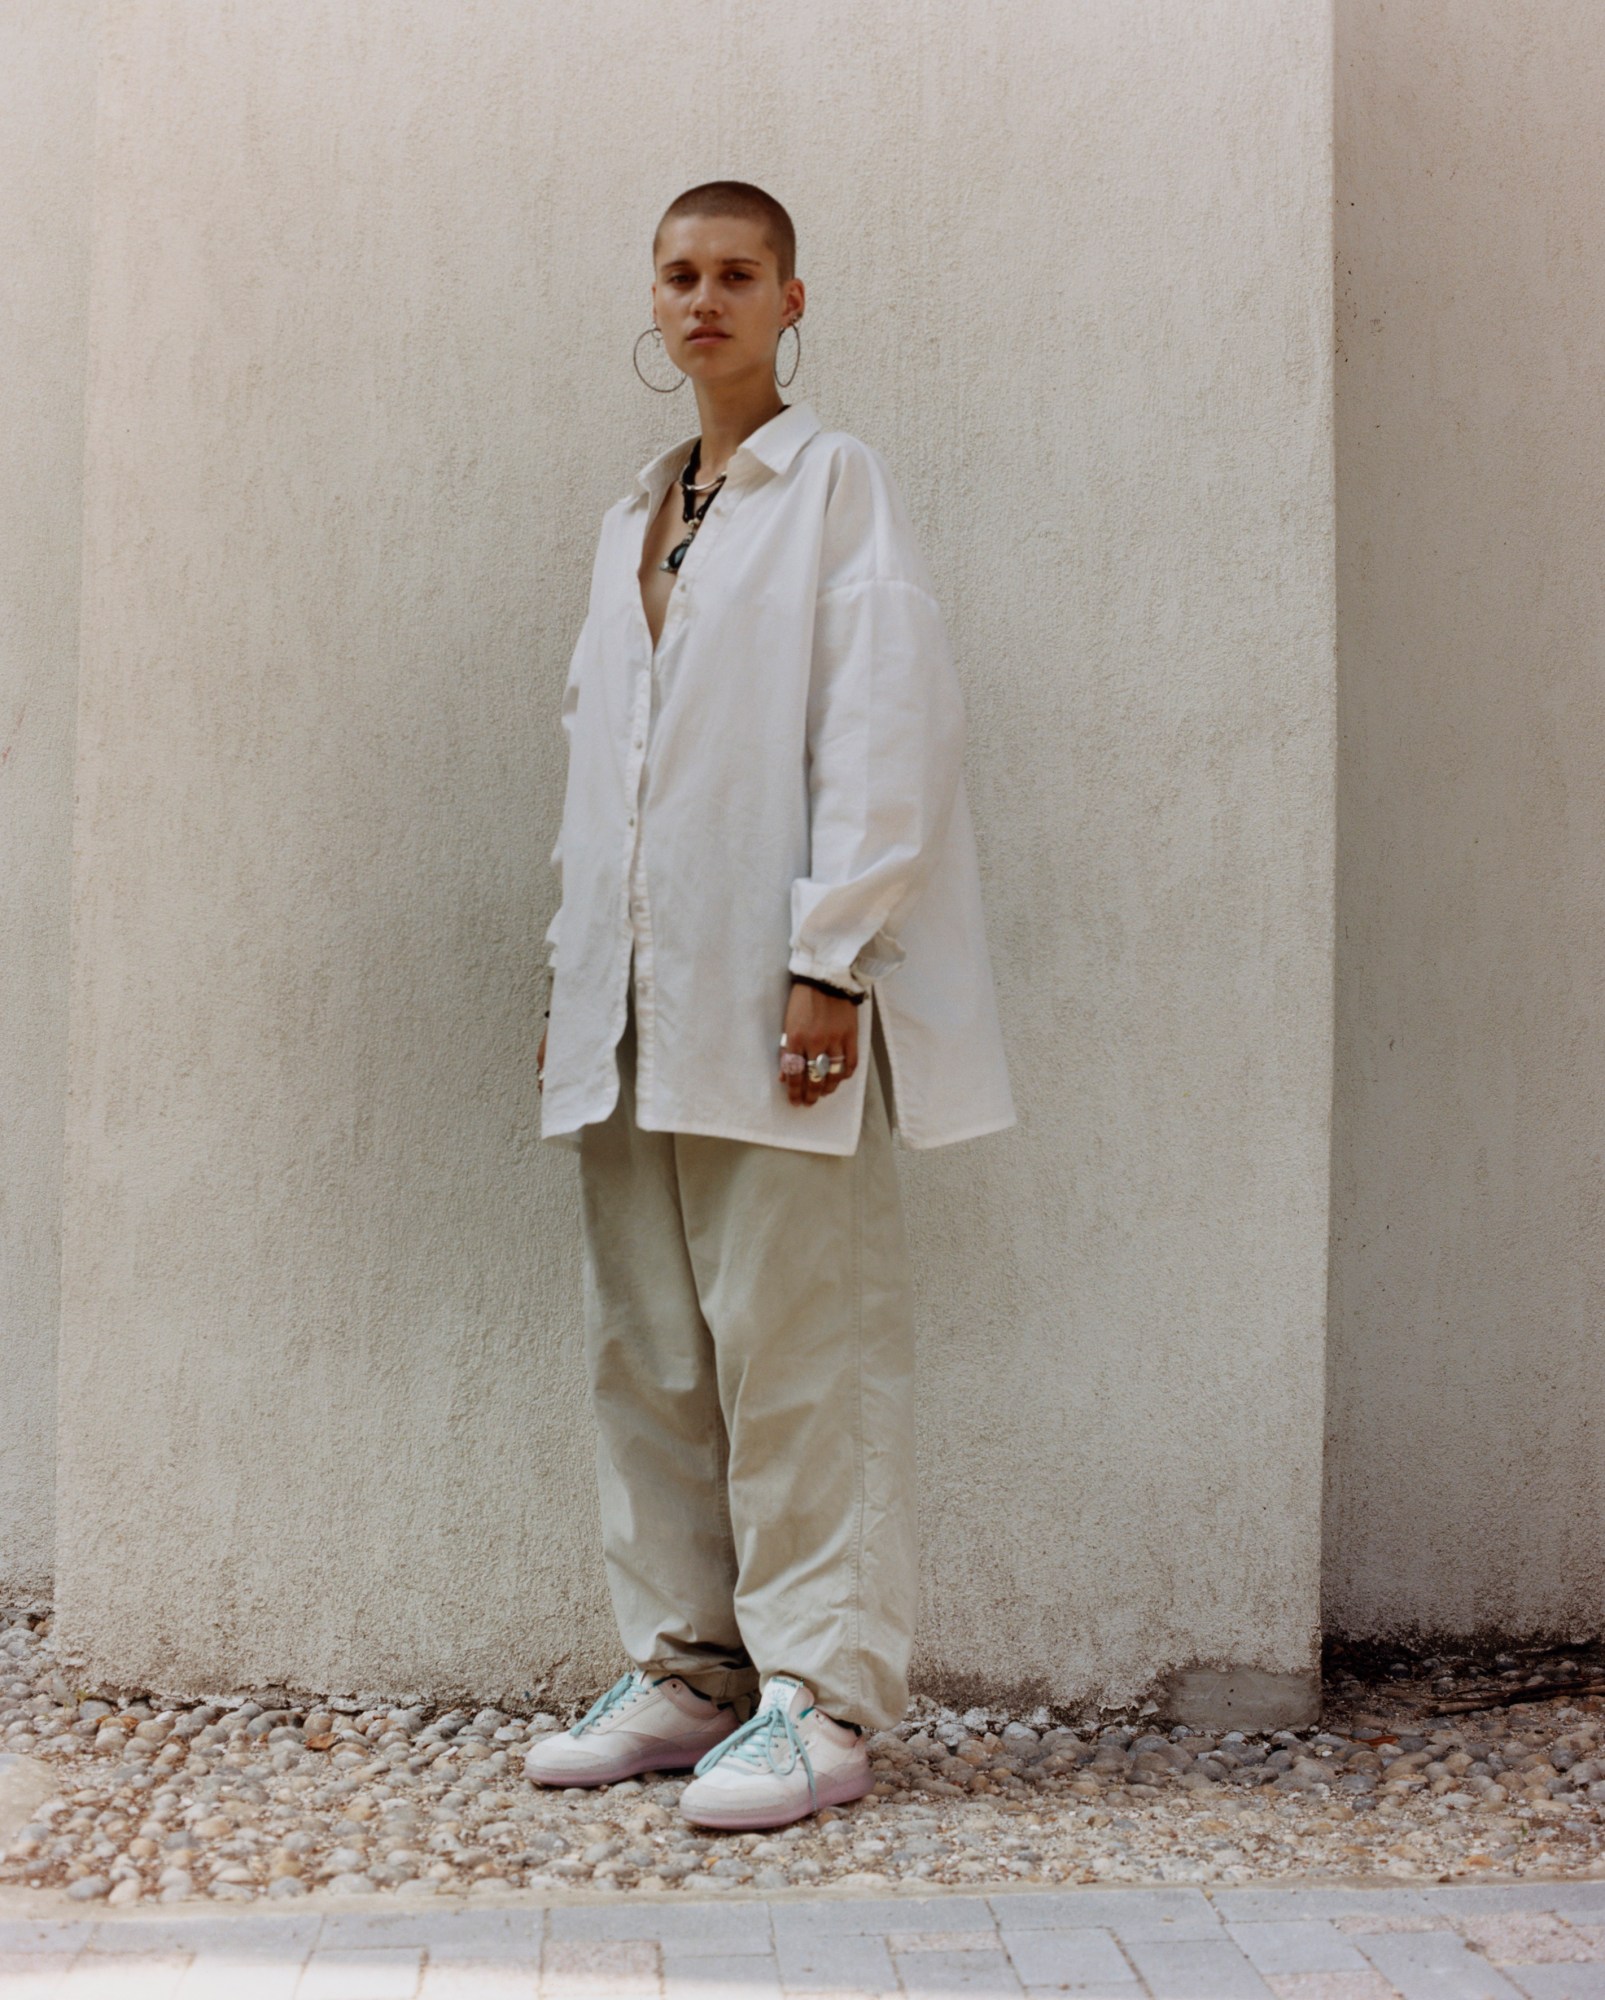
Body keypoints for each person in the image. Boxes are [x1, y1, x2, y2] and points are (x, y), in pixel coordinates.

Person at [525, 180, 1014, 1831]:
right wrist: (573, 976)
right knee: (651, 1350)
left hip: (771, 996)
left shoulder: (835, 488)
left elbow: (884, 726)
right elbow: (605, 768)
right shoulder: (634, 513)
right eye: (678, 274)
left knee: (793, 1350)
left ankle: (819, 1697)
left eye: (737, 274)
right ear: (650, 302)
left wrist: (832, 960)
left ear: (792, 299)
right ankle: (690, 1670)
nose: (703, 299)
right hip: (637, 1007)